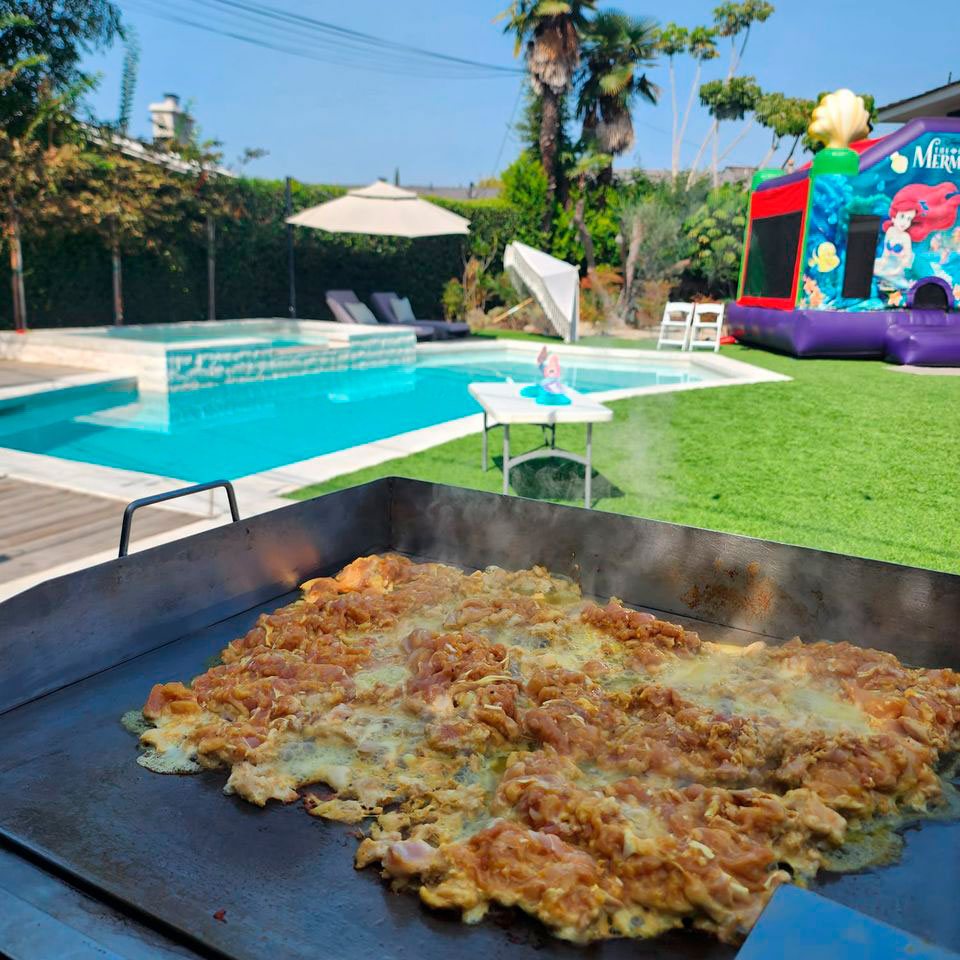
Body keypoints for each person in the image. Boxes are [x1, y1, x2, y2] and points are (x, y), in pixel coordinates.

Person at [874, 182, 960, 287]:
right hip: (898, 267)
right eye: (902, 217)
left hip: (912, 267)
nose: (904, 222)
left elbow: (905, 261)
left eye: (909, 219)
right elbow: (886, 253)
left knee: (932, 280)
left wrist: (893, 271)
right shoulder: (890, 231)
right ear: (893, 216)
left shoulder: (905, 237)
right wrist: (883, 263)